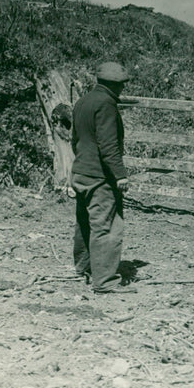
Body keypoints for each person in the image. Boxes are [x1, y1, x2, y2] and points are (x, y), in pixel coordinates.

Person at [70, 61, 134, 294]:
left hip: (80, 171)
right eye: (121, 85)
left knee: (84, 221)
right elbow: (108, 145)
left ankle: (84, 268)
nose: (122, 89)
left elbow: (74, 139)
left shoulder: (83, 101)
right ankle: (105, 281)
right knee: (106, 226)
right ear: (116, 85)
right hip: (100, 175)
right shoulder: (106, 104)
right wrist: (120, 175)